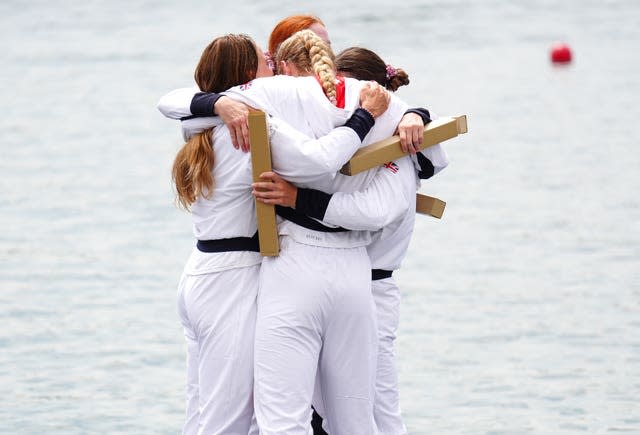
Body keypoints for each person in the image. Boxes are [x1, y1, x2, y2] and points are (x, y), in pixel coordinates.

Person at [167, 29, 416, 434]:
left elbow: (175, 104)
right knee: (234, 419)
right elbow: (320, 160)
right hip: (238, 279)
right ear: (250, 75)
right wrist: (373, 116)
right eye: (265, 62)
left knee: (204, 409)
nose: (272, 65)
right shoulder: (252, 127)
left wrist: (218, 102)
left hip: (201, 275)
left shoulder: (200, 126)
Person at [252, 47, 450, 435]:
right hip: (342, 278)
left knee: (376, 412)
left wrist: (297, 199)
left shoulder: (401, 151)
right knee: (324, 412)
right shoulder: (351, 141)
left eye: (341, 95)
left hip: (371, 287)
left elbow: (374, 211)